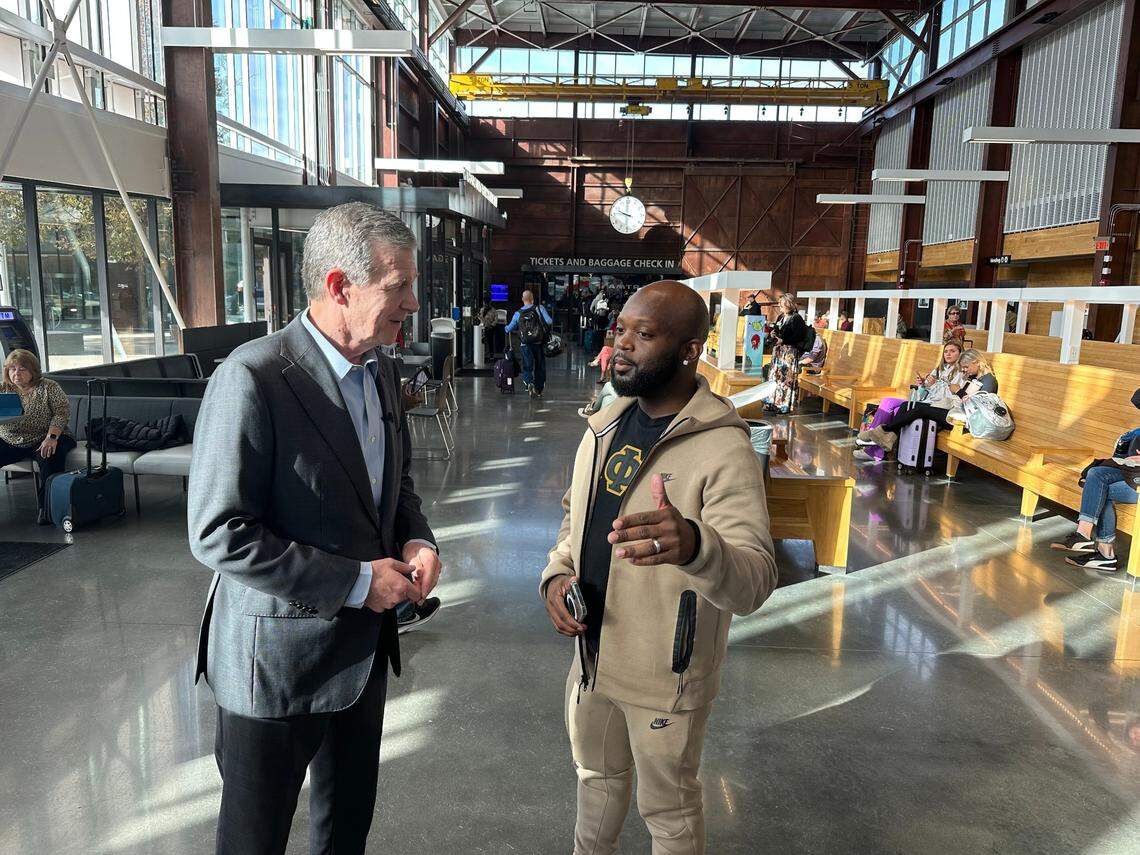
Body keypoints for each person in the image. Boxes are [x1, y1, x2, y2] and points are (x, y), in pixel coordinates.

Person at [187, 202, 442, 855]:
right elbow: (218, 531)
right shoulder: (253, 377)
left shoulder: (382, 368)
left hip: (359, 658)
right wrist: (358, 581)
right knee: (254, 837)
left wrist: (416, 537)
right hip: (271, 664)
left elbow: (394, 484)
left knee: (344, 828)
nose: (413, 303)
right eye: (399, 287)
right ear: (338, 286)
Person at [541, 280, 777, 855]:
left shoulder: (723, 449)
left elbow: (754, 580)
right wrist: (555, 575)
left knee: (668, 812)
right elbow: (576, 521)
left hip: (665, 675)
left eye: (643, 335)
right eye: (620, 329)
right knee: (595, 783)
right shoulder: (604, 425)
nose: (622, 345)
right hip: (592, 657)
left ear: (690, 349)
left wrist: (697, 544)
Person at [1050, 389, 1140, 573]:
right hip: (1134, 473)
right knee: (1096, 475)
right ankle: (1084, 535)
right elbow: (1137, 397)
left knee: (1098, 488)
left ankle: (1105, 554)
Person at [857, 348, 996, 454]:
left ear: (977, 362)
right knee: (907, 405)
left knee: (920, 409)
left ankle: (882, 432)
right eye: (963, 368)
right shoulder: (974, 377)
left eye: (966, 367)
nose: (965, 370)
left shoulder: (989, 380)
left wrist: (958, 391)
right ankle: (887, 437)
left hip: (963, 420)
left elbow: (979, 407)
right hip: (954, 412)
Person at [853, 341, 965, 463]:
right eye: (946, 351)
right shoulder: (939, 369)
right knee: (887, 401)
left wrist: (934, 385)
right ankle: (874, 438)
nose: (948, 354)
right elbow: (924, 392)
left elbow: (950, 397)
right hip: (922, 400)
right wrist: (922, 384)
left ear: (960, 354)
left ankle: (873, 450)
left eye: (953, 351)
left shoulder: (961, 373)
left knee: (898, 410)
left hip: (934, 405)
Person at [0, 348, 77, 525]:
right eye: (12, 369)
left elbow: (61, 413)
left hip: (47, 436)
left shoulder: (48, 386)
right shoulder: (3, 388)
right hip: (11, 439)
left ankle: (47, 508)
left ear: (33, 370)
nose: (16, 373)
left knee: (49, 456)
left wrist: (51, 437)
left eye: (22, 369)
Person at [505, 289, 553, 397]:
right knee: (540, 366)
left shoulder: (518, 313)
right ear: (532, 299)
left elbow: (509, 328)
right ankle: (539, 389)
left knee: (527, 366)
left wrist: (506, 328)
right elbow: (549, 321)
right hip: (539, 342)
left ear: (523, 299)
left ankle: (529, 383)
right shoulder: (539, 308)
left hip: (525, 344)